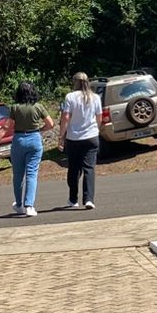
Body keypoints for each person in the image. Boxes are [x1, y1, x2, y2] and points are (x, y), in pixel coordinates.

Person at [7, 81, 53, 217]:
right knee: (32, 173)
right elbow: (50, 124)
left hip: (19, 140)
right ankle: (29, 205)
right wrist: (39, 130)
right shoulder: (38, 107)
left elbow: (7, 126)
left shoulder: (14, 108)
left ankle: (19, 204)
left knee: (18, 175)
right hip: (34, 139)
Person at [58, 72, 103, 210]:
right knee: (89, 168)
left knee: (74, 168)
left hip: (74, 138)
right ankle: (89, 199)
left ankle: (73, 199)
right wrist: (96, 129)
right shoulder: (95, 97)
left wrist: (61, 136)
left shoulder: (70, 97)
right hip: (91, 136)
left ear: (75, 82)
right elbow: (99, 117)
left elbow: (66, 117)